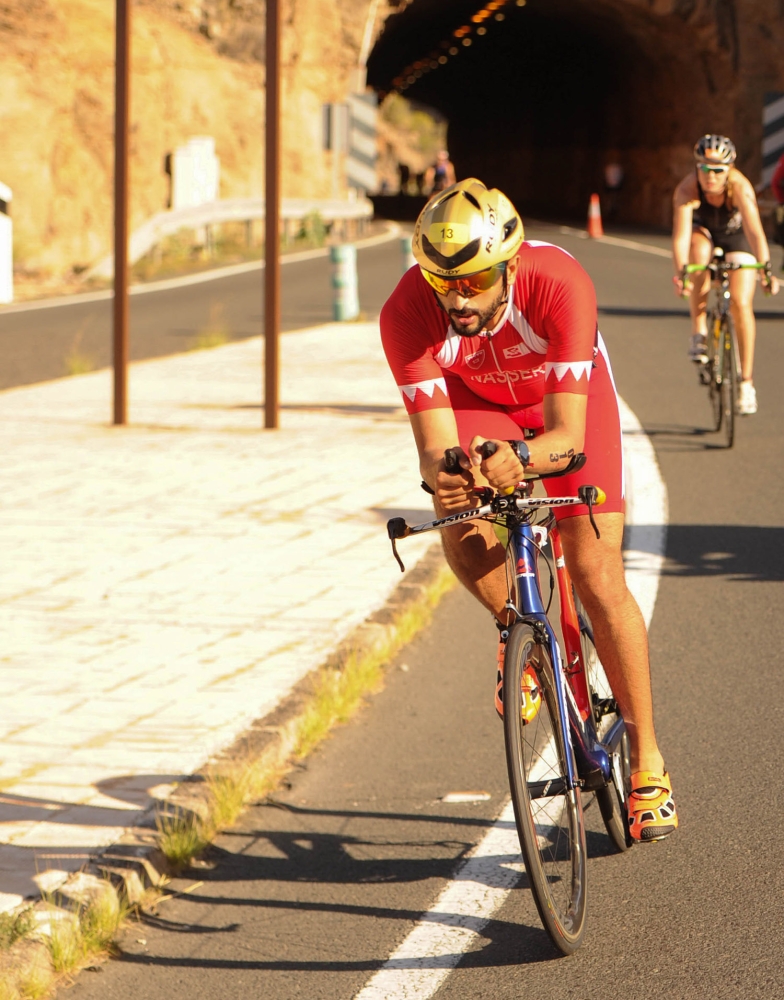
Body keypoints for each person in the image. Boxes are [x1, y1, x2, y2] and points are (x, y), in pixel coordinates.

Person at [380, 178, 678, 842]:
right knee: (456, 508)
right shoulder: (406, 313)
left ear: (508, 264)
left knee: (597, 573)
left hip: (560, 408)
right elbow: (432, 446)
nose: (458, 297)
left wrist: (523, 456)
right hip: (478, 401)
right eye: (442, 281)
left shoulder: (559, 283)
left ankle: (649, 760)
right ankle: (519, 630)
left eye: (475, 280)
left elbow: (567, 442)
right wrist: (448, 474)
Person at [672, 134, 779, 416]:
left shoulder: (740, 188)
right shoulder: (687, 189)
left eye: (718, 170)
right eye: (704, 168)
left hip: (735, 238)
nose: (710, 176)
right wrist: (681, 271)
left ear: (729, 169)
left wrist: (765, 268)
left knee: (741, 304)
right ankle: (699, 333)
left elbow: (755, 232)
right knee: (697, 252)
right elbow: (681, 236)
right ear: (697, 167)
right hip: (703, 234)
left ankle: (746, 383)